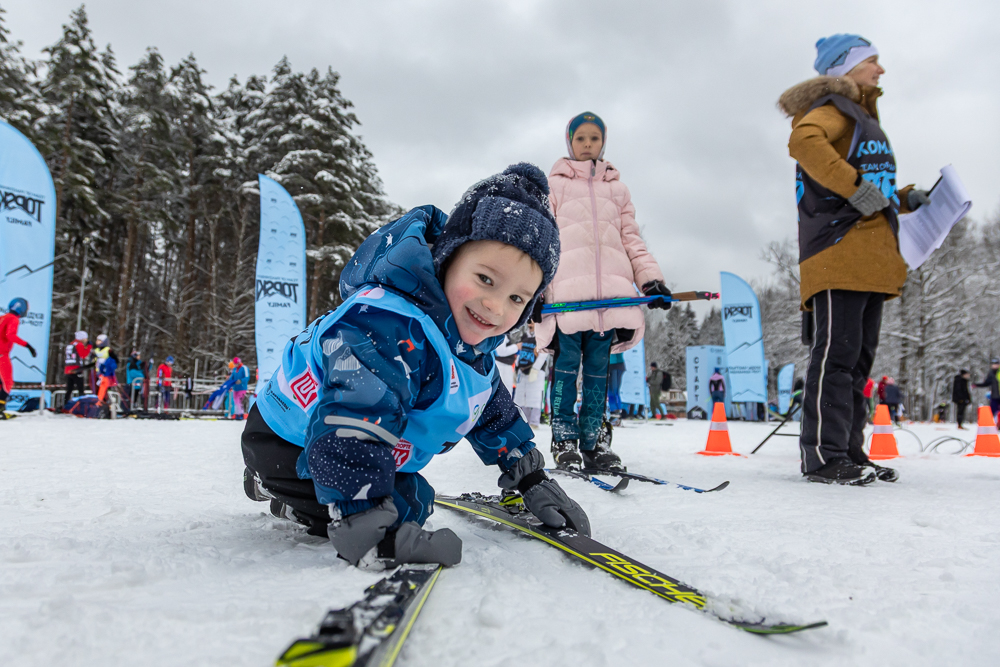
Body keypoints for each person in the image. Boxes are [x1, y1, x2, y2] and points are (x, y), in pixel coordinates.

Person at [241, 164, 589, 570]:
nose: (495, 307)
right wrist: (367, 528)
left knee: (413, 499)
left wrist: (532, 479)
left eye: (517, 299)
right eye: (485, 279)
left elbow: (492, 414)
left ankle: (313, 494)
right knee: (405, 506)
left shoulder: (470, 346)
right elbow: (354, 419)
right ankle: (277, 491)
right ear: (447, 258)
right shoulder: (386, 326)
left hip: (343, 445)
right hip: (289, 442)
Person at [778, 34, 929, 485]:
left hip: (871, 258)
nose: (880, 70)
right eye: (872, 62)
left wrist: (903, 199)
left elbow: (871, 190)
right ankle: (822, 457)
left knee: (859, 362)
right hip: (837, 253)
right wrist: (856, 187)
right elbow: (804, 141)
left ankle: (848, 450)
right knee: (835, 357)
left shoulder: (861, 114)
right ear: (844, 68)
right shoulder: (833, 106)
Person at [536, 111, 671, 470]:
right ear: (570, 142)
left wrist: (650, 280)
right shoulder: (554, 186)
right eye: (580, 138)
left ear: (602, 143)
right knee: (565, 368)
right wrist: (534, 290)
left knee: (599, 371)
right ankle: (564, 438)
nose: (587, 145)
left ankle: (594, 441)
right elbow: (542, 240)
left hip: (609, 299)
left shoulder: (618, 189)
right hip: (565, 298)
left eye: (594, 139)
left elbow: (631, 239)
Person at [0, 298, 36, 417]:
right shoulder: (13, 319)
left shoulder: (3, 317)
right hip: (2, 355)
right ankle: (0, 409)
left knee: (1, 383)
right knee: (7, 382)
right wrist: (28, 346)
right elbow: (10, 335)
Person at [513, 323, 548, 428]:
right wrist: (517, 366)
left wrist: (535, 369)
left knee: (535, 397)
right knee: (521, 397)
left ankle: (534, 422)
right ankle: (523, 420)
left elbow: (543, 354)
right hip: (522, 370)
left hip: (535, 371)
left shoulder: (541, 337)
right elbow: (520, 352)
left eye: (532, 322)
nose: (530, 324)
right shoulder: (524, 336)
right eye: (529, 322)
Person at [64, 331, 92, 401]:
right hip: (76, 369)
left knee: (69, 389)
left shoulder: (70, 344)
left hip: (68, 369)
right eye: (85, 338)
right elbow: (83, 355)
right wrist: (89, 347)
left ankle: (65, 403)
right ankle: (82, 404)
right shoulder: (79, 345)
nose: (86, 340)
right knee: (81, 388)